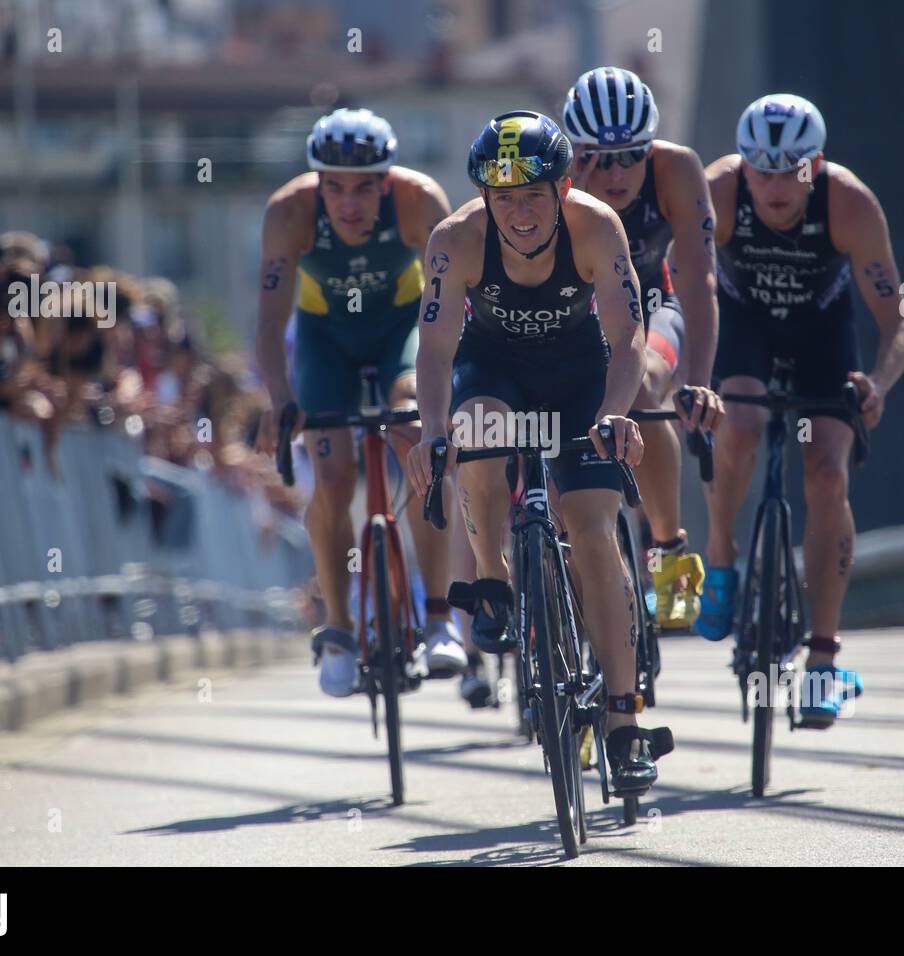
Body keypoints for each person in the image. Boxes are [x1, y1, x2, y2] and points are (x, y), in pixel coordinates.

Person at [406, 110, 685, 793]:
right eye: (505, 199)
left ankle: (624, 721)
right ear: (484, 199)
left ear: (562, 190)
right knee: (474, 434)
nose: (521, 213)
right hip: (493, 369)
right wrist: (432, 431)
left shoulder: (595, 226)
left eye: (534, 195)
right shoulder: (455, 240)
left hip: (578, 375)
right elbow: (438, 349)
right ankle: (496, 576)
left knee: (592, 532)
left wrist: (616, 413)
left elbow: (626, 336)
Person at [702, 93, 904, 726]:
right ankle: (721, 556)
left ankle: (823, 660)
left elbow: (897, 319)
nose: (773, 186)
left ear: (815, 166)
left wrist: (877, 382)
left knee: (826, 471)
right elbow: (681, 276)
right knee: (738, 424)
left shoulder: (848, 203)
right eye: (759, 170)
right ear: (743, 166)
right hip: (743, 327)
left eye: (790, 171)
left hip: (821, 333)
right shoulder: (716, 191)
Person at [252, 108, 478, 701]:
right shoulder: (289, 212)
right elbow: (271, 323)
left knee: (418, 439)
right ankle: (338, 631)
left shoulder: (420, 200)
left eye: (363, 188)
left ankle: (437, 617)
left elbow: (452, 301)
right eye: (334, 188)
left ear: (388, 181)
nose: (348, 204)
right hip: (326, 341)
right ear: (317, 184)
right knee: (329, 477)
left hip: (400, 331)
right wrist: (280, 400)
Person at [562, 66, 724, 631]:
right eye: (598, 158)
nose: (616, 171)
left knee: (648, 384)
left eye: (630, 155)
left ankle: (668, 547)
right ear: (573, 152)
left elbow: (701, 282)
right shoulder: (555, 178)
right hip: (573, 310)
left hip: (654, 300)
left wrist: (699, 380)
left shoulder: (677, 169)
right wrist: (570, 190)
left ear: (650, 147)